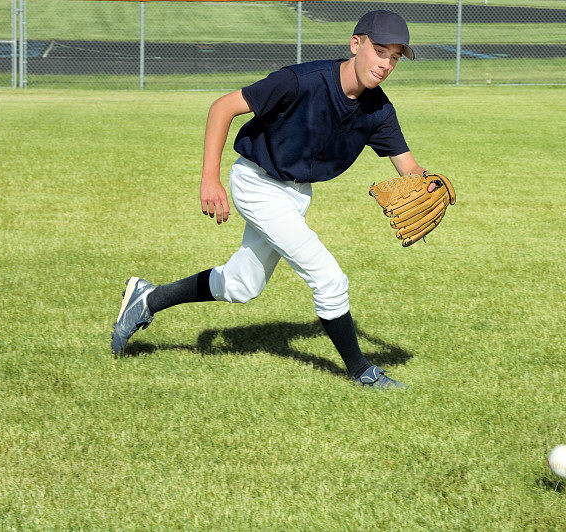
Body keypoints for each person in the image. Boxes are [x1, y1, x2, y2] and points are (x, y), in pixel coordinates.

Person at [111, 10, 428, 389]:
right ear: (355, 44)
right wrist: (210, 179)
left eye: (394, 57)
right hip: (257, 184)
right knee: (329, 278)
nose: (386, 64)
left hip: (296, 195)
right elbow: (222, 107)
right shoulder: (300, 81)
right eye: (379, 51)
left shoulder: (379, 109)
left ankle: (148, 298)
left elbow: (409, 168)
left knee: (241, 284)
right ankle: (362, 371)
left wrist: (426, 187)